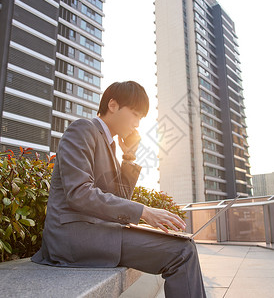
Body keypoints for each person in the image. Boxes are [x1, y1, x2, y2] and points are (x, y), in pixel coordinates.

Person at [32, 81, 206, 297]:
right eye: (135, 114)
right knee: (182, 252)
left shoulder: (110, 145)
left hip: (97, 231)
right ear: (112, 105)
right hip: (72, 237)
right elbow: (79, 193)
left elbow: (119, 201)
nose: (137, 124)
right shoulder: (83, 129)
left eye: (141, 118)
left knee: (184, 246)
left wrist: (129, 156)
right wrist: (144, 212)